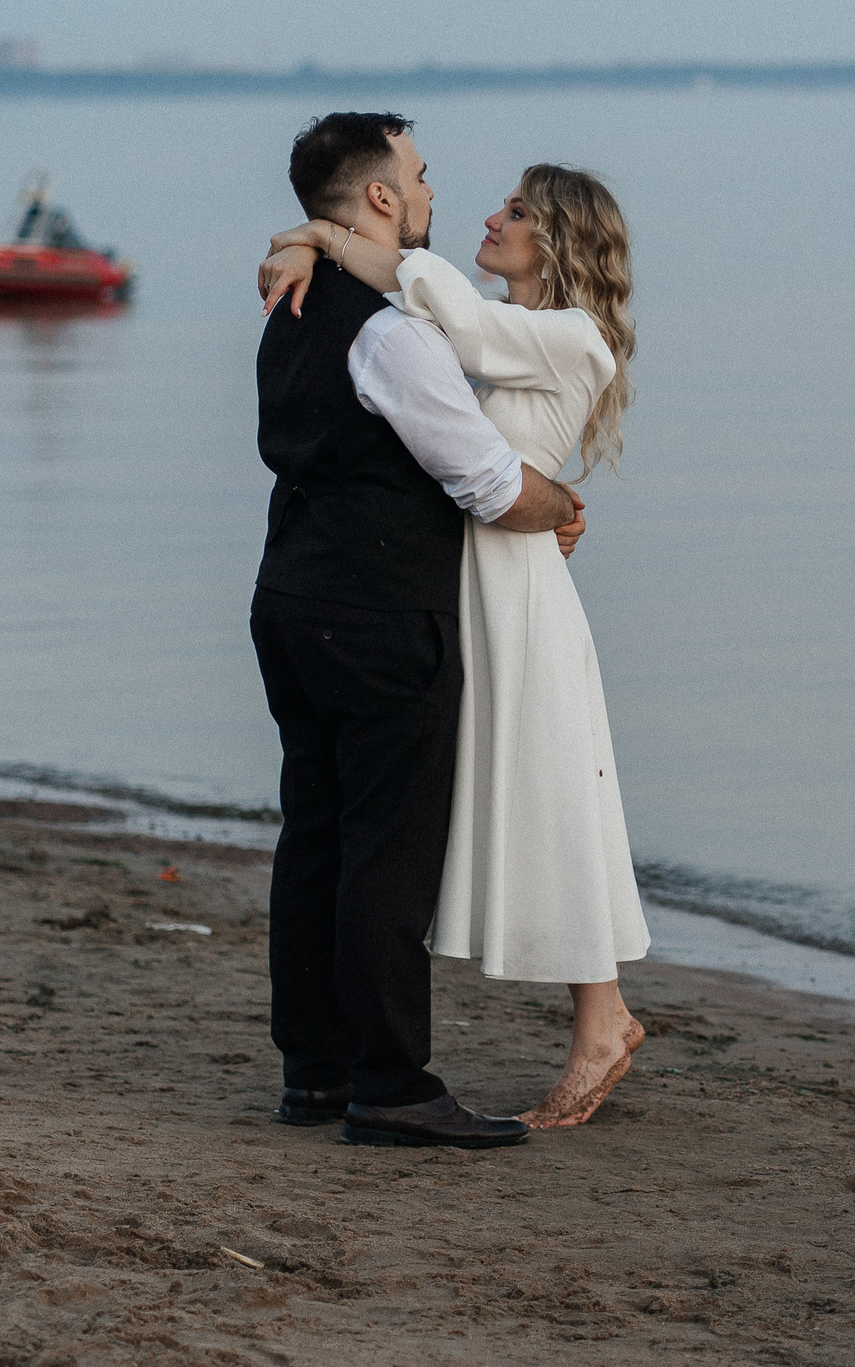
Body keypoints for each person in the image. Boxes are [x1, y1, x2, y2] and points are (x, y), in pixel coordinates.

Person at [258, 162, 650, 1129]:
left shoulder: (574, 338)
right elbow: (425, 314)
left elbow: (448, 317)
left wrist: (321, 236)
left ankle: (603, 1024)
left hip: (517, 596)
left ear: (558, 237)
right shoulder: (497, 327)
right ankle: (591, 1021)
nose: (489, 214)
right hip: (466, 584)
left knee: (554, 800)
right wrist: (312, 241)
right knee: (510, 805)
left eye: (516, 210)